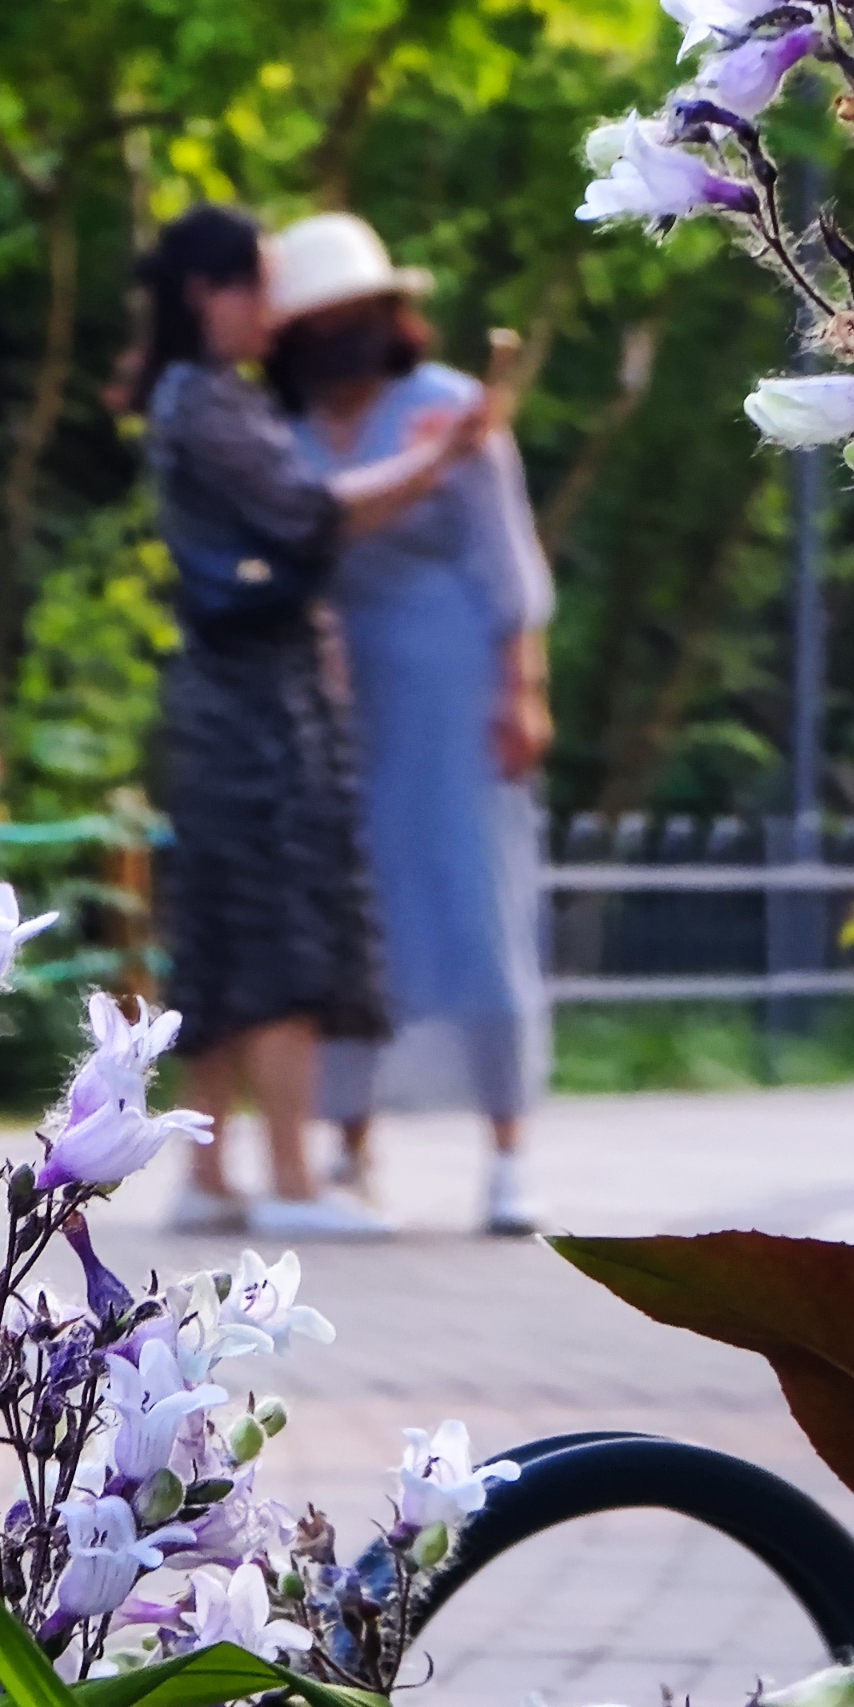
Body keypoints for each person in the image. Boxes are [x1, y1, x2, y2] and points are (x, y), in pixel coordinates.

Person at [133, 203, 465, 1238]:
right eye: (258, 287)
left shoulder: (194, 399)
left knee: (225, 929)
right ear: (208, 293)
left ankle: (208, 1176)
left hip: (235, 692)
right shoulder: (208, 404)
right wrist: (434, 459)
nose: (272, 314)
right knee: (274, 925)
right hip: (252, 696)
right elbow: (310, 513)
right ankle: (284, 1177)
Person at [263, 211, 558, 1235]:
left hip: (451, 676)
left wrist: (521, 689)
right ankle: (350, 1143)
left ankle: (509, 1149)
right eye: (320, 320)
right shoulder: (283, 433)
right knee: (357, 918)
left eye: (356, 315)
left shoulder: (451, 411)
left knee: (474, 906)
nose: (339, 335)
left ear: (389, 317)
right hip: (336, 691)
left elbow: (506, 559)